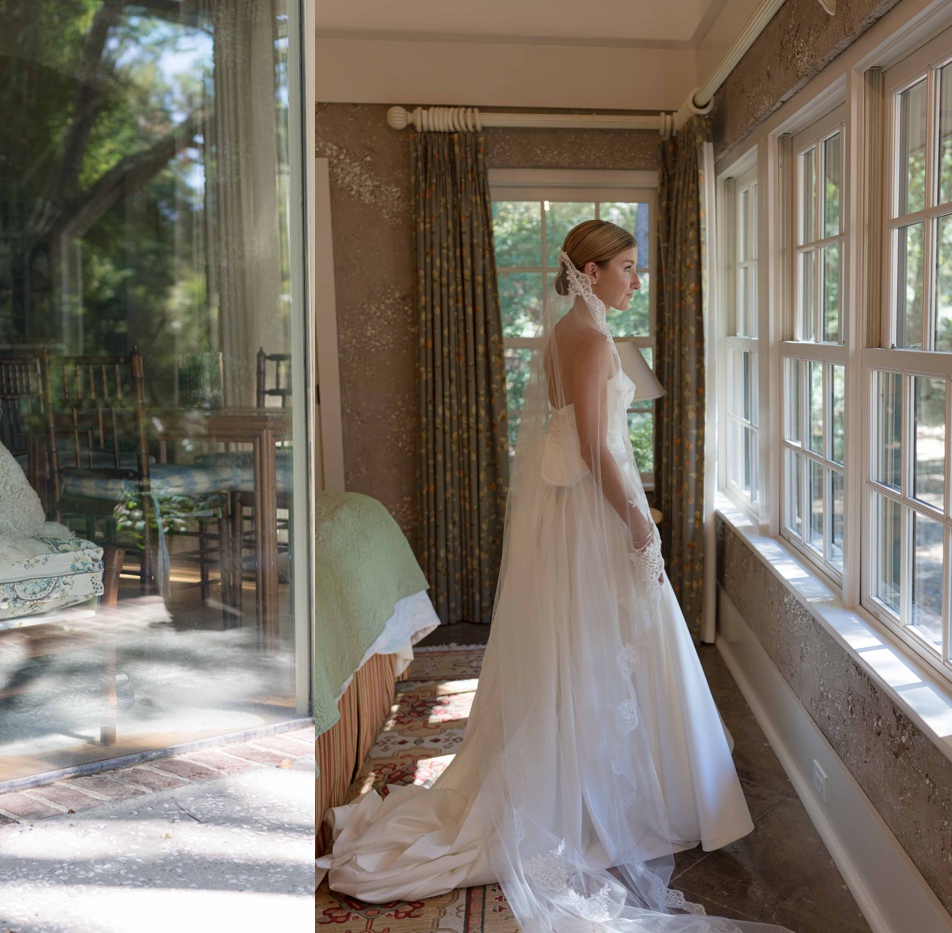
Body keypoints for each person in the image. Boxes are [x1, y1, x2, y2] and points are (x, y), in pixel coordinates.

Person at [318, 220, 790, 932]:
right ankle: (625, 796)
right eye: (628, 267)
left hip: (573, 513)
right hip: (600, 512)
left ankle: (597, 778)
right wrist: (637, 520)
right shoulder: (594, 340)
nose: (638, 280)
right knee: (619, 642)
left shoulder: (567, 332)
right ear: (591, 272)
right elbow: (599, 449)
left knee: (587, 648)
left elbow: (571, 437)